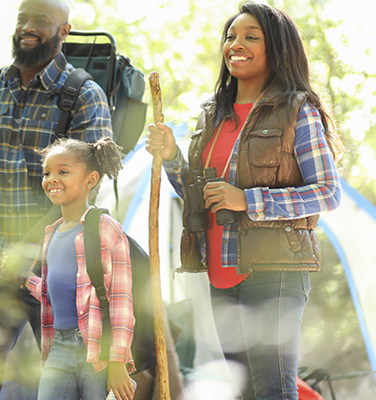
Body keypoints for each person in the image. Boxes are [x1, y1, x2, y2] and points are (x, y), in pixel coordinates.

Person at [144, 2, 344, 400]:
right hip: (222, 270)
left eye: (251, 36)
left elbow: (328, 192)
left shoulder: (296, 110)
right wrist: (171, 158)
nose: (237, 44)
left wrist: (248, 200)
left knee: (273, 389)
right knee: (244, 391)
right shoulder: (212, 114)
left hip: (275, 270)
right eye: (231, 36)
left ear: (277, 49)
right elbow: (199, 196)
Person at [0, 0, 113, 398]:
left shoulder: (84, 96)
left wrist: (28, 248)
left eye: (41, 22)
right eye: (22, 19)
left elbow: (86, 187)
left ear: (63, 31)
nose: (28, 28)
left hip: (59, 272)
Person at [23, 137, 135, 400]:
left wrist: (117, 362)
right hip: (59, 347)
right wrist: (27, 279)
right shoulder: (51, 234)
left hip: (96, 349)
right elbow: (61, 291)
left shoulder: (104, 228)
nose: (52, 178)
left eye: (63, 172)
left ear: (90, 179)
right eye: (47, 172)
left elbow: (121, 300)